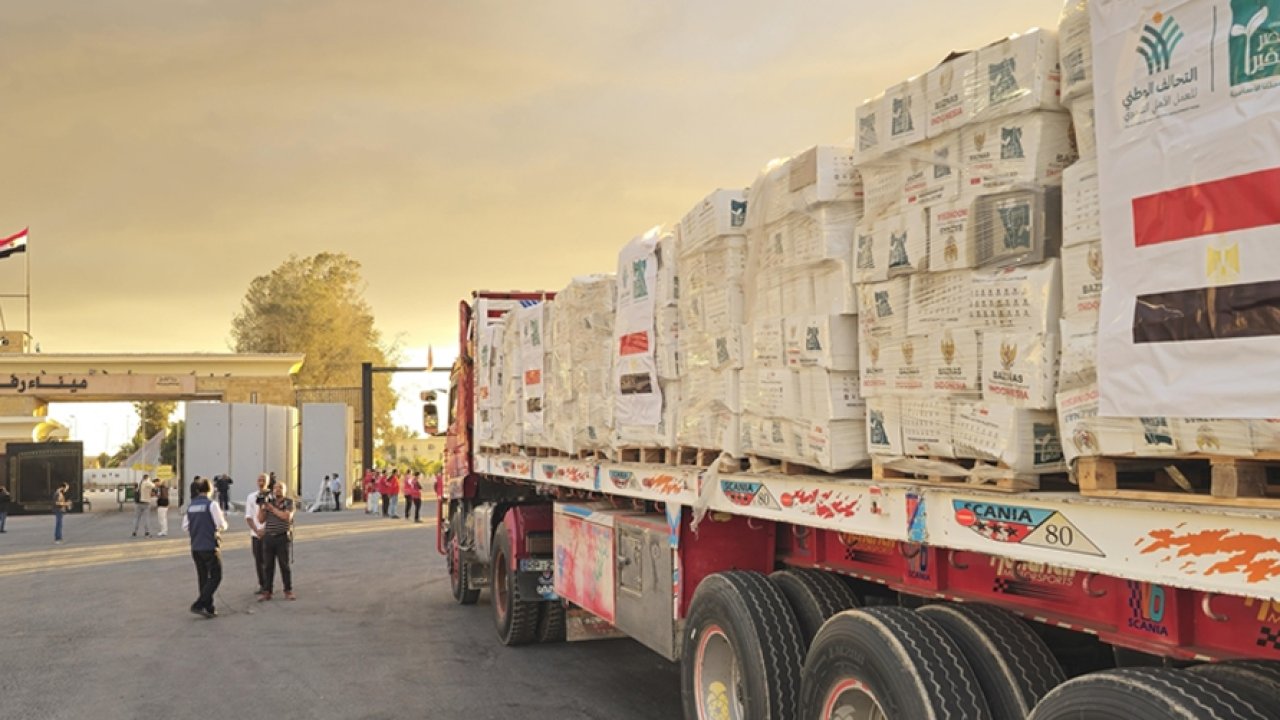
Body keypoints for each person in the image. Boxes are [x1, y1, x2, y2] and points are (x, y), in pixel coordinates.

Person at [183, 477, 227, 618]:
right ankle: (199, 603)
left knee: (203, 577)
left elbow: (185, 526)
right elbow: (221, 524)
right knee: (216, 576)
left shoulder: (191, 506)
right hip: (209, 545)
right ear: (210, 489)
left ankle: (209, 607)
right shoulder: (212, 505)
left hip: (196, 546)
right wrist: (219, 529)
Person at [256, 479, 296, 601]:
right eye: (276, 488)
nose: (278, 490)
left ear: (285, 490)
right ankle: (267, 591)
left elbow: (286, 516)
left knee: (284, 565)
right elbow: (261, 520)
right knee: (268, 566)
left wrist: (272, 509)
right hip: (269, 537)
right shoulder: (269, 502)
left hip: (282, 537)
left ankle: (288, 590)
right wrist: (262, 507)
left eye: (280, 487)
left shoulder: (288, 502)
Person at [245, 473, 269, 597]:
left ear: (268, 482)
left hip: (269, 533)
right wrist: (256, 530)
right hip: (256, 534)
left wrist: (265, 529)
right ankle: (262, 585)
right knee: (258, 560)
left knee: (268, 561)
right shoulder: (251, 497)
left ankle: (268, 586)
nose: (261, 482)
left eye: (263, 480)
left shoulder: (272, 496)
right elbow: (248, 517)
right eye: (259, 480)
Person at [132, 474, 155, 538]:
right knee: (146, 518)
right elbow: (153, 485)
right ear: (147, 478)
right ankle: (147, 532)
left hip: (138, 503)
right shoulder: (147, 483)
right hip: (146, 503)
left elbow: (135, 491)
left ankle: (134, 531)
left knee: (137, 518)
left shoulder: (140, 483)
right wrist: (149, 480)